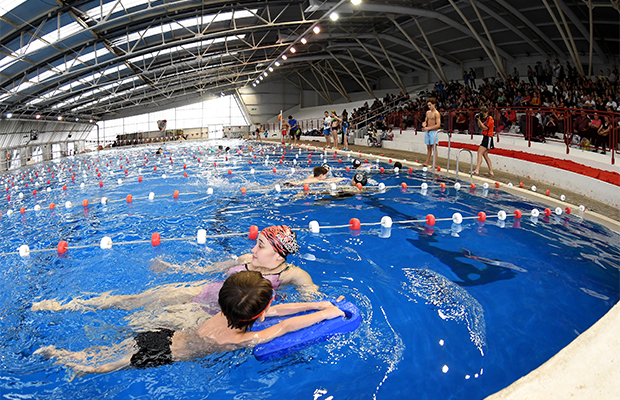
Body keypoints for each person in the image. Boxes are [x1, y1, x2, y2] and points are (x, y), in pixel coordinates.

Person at [34, 271, 345, 375]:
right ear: (257, 316)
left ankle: (59, 352)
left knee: (109, 350)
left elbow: (276, 313)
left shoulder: (225, 312)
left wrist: (318, 303)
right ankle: (69, 361)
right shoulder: (239, 340)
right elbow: (285, 326)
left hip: (163, 334)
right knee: (103, 365)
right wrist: (328, 314)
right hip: (165, 354)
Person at [32, 226, 318, 329]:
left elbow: (311, 298)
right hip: (204, 289)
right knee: (132, 300)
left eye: (261, 246)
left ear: (279, 256)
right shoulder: (246, 259)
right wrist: (171, 268)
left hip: (212, 310)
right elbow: (208, 269)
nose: (253, 249)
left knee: (141, 323)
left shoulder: (294, 275)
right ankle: (66, 306)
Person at [473, 107, 495, 177]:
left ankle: (477, 170)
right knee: (485, 154)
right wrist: (478, 120)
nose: (483, 114)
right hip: (485, 137)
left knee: (480, 152)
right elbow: (480, 126)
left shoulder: (490, 118)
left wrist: (479, 120)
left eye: (483, 112)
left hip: (488, 137)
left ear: (486, 112)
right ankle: (491, 171)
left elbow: (485, 127)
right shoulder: (484, 119)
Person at [422, 98, 441, 167]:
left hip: (433, 132)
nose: (429, 107)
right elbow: (426, 121)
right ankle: (427, 162)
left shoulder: (436, 114)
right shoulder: (428, 113)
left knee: (434, 148)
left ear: (434, 104)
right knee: (428, 148)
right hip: (428, 132)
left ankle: (434, 164)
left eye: (430, 105)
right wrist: (424, 124)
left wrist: (428, 128)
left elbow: (438, 125)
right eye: (428, 105)